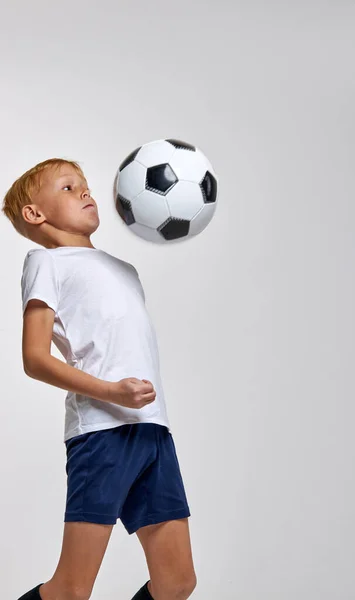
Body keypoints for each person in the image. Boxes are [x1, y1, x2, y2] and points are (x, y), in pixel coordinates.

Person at [1, 158, 197, 600]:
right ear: (35, 214)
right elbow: (34, 358)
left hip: (152, 430)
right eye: (69, 188)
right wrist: (111, 392)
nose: (87, 192)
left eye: (86, 186)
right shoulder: (46, 263)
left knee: (177, 582)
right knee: (71, 590)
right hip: (102, 435)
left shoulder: (124, 269)